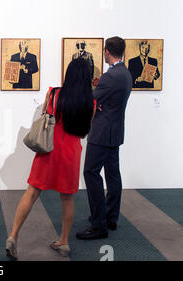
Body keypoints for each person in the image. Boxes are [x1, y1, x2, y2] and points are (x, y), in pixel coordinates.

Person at [5, 58, 96, 259]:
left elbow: (47, 115)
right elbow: (84, 133)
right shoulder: (91, 102)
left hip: (49, 149)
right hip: (71, 152)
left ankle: (13, 235)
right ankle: (63, 241)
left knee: (31, 193)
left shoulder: (54, 93)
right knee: (67, 198)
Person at [76, 36, 132, 240]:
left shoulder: (111, 76)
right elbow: (108, 99)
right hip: (115, 131)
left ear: (107, 51)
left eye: (105, 51)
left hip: (101, 132)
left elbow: (93, 96)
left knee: (91, 173)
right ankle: (110, 218)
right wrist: (102, 102)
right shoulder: (125, 73)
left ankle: (99, 225)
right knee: (113, 175)